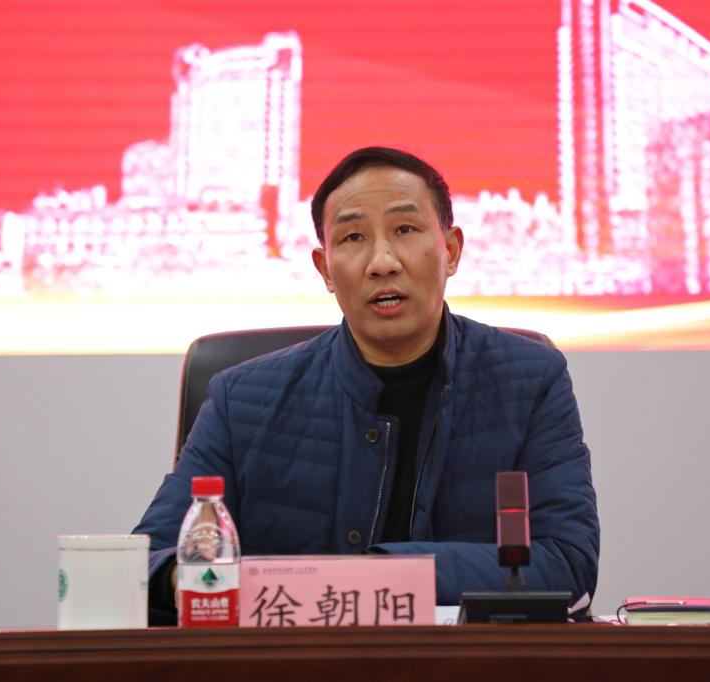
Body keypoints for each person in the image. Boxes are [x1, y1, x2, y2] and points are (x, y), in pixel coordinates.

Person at [134, 147, 599, 624]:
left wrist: (379, 574)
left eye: (406, 229)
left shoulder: (530, 380)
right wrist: (196, 577)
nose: (382, 262)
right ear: (325, 269)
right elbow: (148, 560)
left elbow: (567, 562)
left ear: (452, 251)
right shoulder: (241, 399)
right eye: (353, 237)